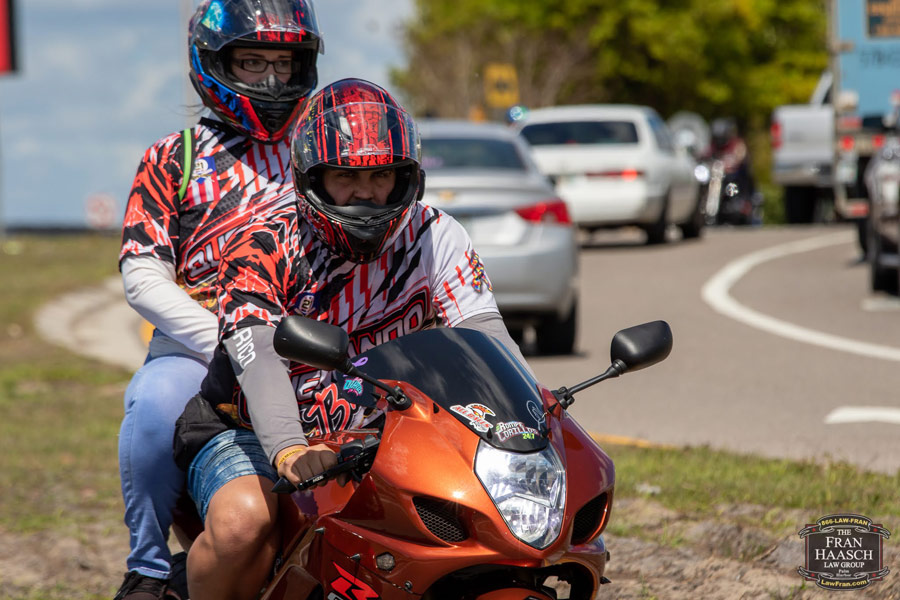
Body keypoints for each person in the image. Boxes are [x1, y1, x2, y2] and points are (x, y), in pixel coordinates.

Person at [173, 78, 530, 600]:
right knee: (243, 524)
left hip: (383, 426)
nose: (366, 192)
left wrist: (534, 412)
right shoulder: (260, 244)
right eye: (345, 175)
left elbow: (487, 338)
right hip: (246, 426)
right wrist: (290, 449)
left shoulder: (437, 236)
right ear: (311, 177)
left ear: (406, 177)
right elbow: (260, 358)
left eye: (381, 174)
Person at [114, 1, 323, 598]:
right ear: (214, 62)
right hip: (198, 350)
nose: (272, 80)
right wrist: (233, 342)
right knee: (154, 406)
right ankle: (148, 569)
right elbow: (142, 276)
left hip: (316, 342)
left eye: (284, 63)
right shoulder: (173, 158)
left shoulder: (322, 152)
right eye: (253, 62)